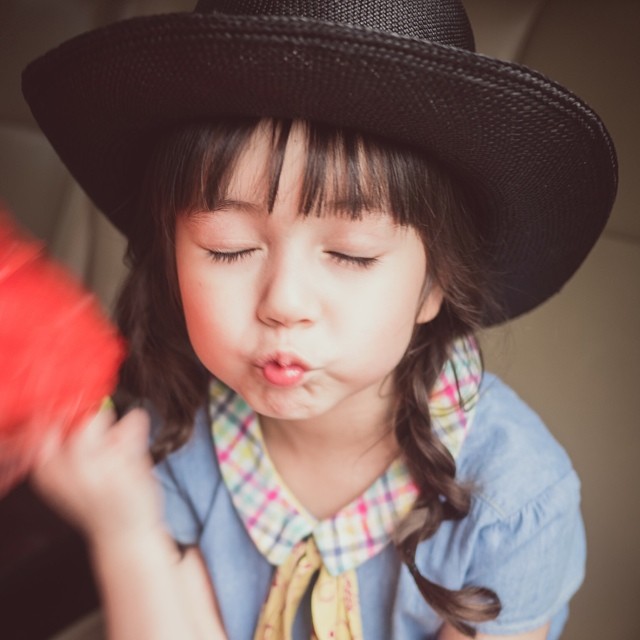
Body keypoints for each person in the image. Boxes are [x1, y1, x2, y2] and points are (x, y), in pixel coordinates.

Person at [22, 1, 617, 639]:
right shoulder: (174, 428)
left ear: (434, 285)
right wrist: (126, 529)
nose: (284, 303)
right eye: (228, 248)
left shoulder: (514, 499)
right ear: (171, 261)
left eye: (351, 255)